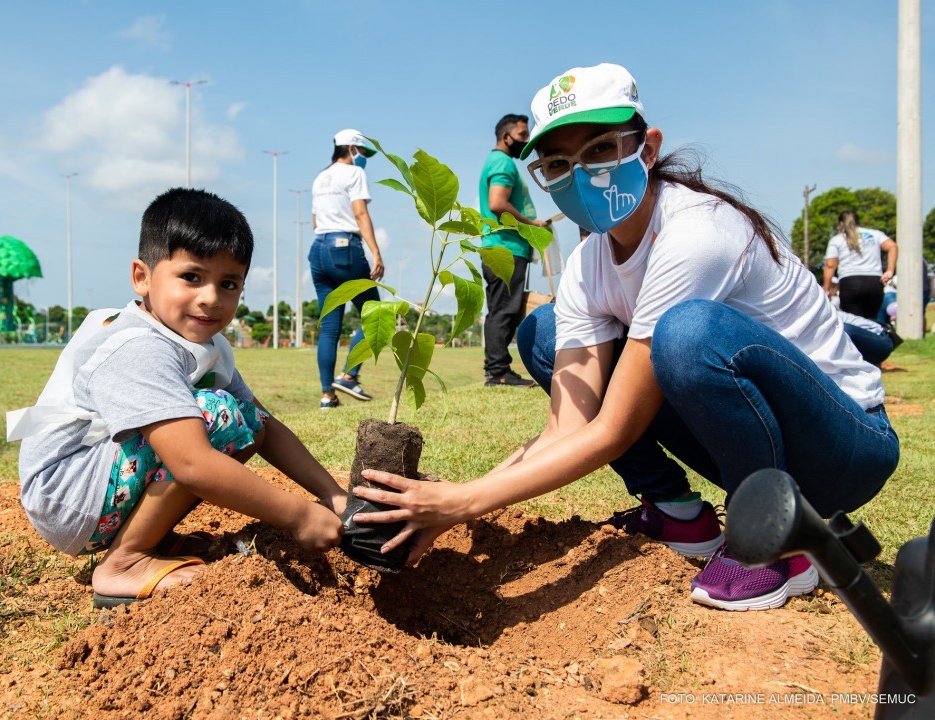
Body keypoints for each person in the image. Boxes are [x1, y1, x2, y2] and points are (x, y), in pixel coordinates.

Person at [348, 63, 899, 612]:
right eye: (559, 164)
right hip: (754, 431)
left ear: (649, 148)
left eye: (601, 150)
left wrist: (462, 503)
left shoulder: (696, 233)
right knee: (544, 330)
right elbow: (568, 426)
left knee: (687, 334)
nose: (581, 174)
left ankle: (774, 542)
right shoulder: (589, 262)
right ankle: (678, 512)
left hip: (843, 446)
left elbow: (612, 430)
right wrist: (447, 505)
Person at [9, 188, 346, 607]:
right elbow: (190, 463)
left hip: (101, 482)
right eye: (192, 277)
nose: (211, 298)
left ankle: (151, 538)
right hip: (70, 496)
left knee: (244, 419)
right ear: (142, 277)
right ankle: (125, 563)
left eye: (228, 283)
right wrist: (299, 515)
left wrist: (333, 494)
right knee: (216, 416)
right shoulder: (138, 345)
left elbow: (265, 426)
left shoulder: (207, 343)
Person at [310, 129, 386, 409]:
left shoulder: (320, 177)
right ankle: (349, 375)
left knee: (329, 328)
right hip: (345, 247)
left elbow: (316, 222)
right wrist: (375, 252)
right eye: (364, 153)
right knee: (374, 316)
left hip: (318, 250)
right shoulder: (355, 173)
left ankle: (327, 396)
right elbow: (360, 213)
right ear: (352, 148)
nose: (365, 159)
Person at [479, 113, 551, 387]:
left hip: (502, 248)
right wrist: (531, 223)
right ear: (506, 137)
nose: (527, 140)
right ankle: (498, 373)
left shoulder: (498, 161)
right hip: (505, 248)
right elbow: (497, 203)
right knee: (504, 311)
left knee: (501, 309)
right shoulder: (502, 162)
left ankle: (497, 370)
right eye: (522, 136)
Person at [823, 210, 897, 320]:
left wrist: (826, 288)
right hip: (874, 282)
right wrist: (890, 270)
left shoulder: (837, 239)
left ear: (840, 224)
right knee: (872, 320)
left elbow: (830, 265)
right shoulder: (875, 234)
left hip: (850, 283)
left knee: (855, 322)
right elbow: (892, 246)